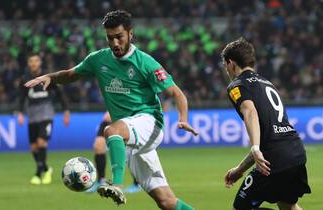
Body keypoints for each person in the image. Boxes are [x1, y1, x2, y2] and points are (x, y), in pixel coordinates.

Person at [25, 10, 197, 210]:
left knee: (111, 130)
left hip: (149, 123)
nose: (115, 43)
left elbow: (178, 94)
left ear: (130, 34)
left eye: (119, 37)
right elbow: (71, 74)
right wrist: (51, 77)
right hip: (129, 137)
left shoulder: (145, 62)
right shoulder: (98, 59)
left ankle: (116, 184)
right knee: (167, 202)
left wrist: (182, 118)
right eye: (110, 38)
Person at [221, 38, 311, 210]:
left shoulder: (237, 85)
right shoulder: (267, 84)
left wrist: (255, 148)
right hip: (295, 154)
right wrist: (240, 169)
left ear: (231, 63)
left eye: (225, 65)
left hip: (274, 160)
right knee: (288, 206)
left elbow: (250, 111)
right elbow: (268, 137)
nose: (226, 69)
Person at [17, 53, 70, 185]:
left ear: (40, 62)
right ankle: (46, 169)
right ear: (28, 64)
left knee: (42, 143)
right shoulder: (24, 78)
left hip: (46, 114)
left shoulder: (48, 77)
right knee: (33, 148)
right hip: (32, 115)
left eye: (36, 61)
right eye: (31, 61)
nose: (33, 63)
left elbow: (60, 94)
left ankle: (38, 173)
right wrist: (20, 113)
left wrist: (66, 111)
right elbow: (22, 97)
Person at [88, 111, 142, 194]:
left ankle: (137, 184)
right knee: (98, 146)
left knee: (130, 148)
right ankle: (101, 181)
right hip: (112, 115)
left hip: (128, 115)